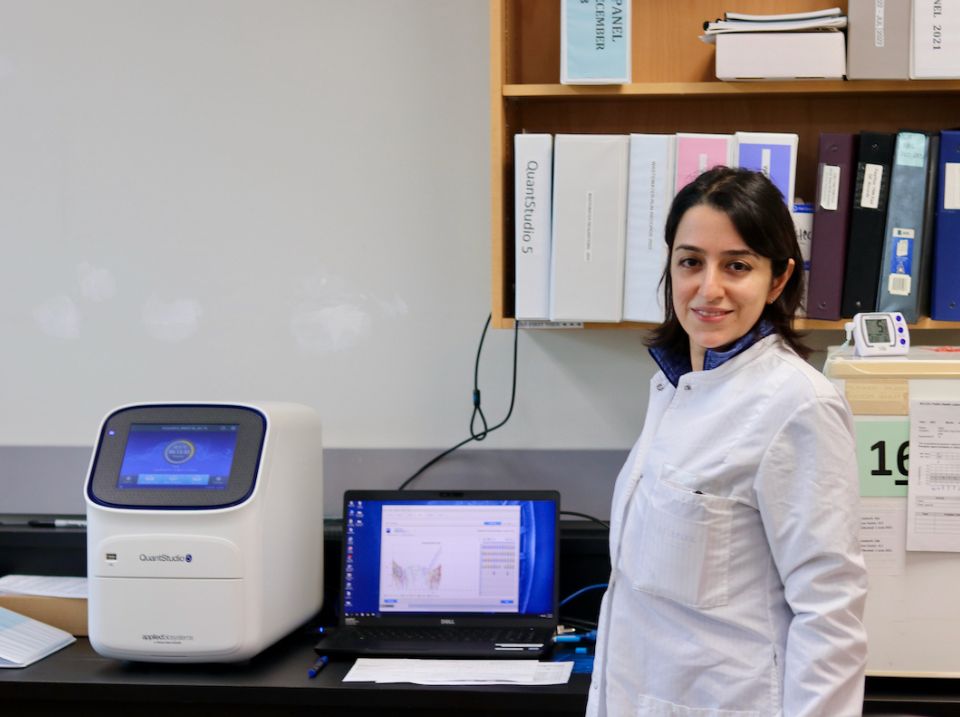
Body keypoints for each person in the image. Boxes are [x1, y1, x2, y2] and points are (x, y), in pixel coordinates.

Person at [586, 166, 867, 717]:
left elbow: (830, 612)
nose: (708, 288)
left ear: (778, 279)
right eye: (691, 261)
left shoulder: (796, 404)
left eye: (737, 266)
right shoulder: (673, 385)